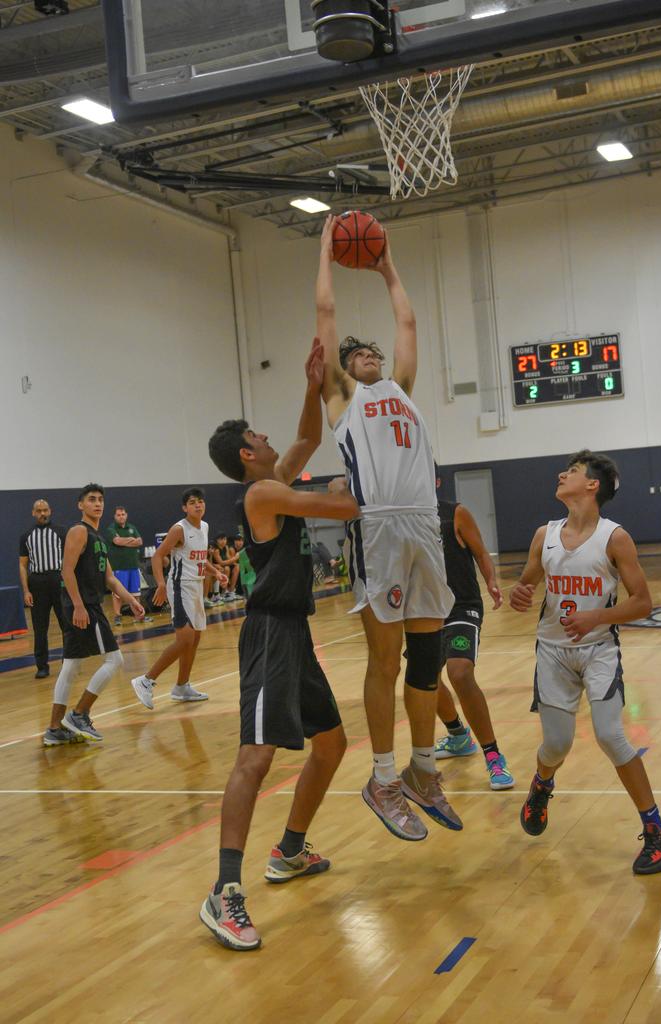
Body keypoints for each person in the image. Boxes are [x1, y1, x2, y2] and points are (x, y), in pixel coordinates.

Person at [199, 338, 357, 952]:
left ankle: (290, 849)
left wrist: (312, 386)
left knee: (332, 743)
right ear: (247, 453)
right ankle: (224, 892)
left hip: (295, 632)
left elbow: (308, 437)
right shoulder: (262, 493)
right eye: (257, 436)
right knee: (255, 759)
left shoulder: (275, 480)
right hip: (268, 632)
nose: (268, 438)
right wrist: (376, 475)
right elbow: (341, 506)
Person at [315, 215, 459, 841]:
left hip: (424, 525)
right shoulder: (343, 401)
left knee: (428, 657)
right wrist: (327, 252)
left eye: (372, 353)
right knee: (386, 659)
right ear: (345, 370)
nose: (369, 357)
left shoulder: (402, 389)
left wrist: (387, 266)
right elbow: (325, 316)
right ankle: (381, 779)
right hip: (378, 531)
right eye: (357, 356)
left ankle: (423, 771)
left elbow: (409, 325)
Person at [511, 449, 661, 874]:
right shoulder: (544, 534)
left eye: (572, 470)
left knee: (610, 735)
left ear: (592, 485)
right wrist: (520, 592)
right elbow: (528, 581)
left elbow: (642, 603)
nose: (561, 474)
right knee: (556, 745)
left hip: (599, 649)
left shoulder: (614, 538)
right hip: (552, 651)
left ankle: (657, 831)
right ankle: (541, 784)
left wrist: (596, 617)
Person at [43, 484, 144, 747]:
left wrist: (132, 600)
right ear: (81, 505)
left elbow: (110, 578)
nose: (97, 503)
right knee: (114, 659)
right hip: (84, 605)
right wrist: (78, 605)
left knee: (71, 665)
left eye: (100, 499)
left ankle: (54, 728)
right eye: (91, 499)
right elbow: (66, 570)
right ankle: (80, 714)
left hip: (84, 605)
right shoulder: (79, 531)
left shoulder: (98, 537)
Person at [433, 474, 514, 789]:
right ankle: (457, 735)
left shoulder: (455, 513)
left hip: (461, 605)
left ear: (434, 481)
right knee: (423, 680)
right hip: (424, 610)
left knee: (460, 672)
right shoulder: (403, 518)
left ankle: (493, 755)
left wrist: (491, 581)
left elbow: (480, 552)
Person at [130, 489, 227, 709]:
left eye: (200, 501)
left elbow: (199, 559)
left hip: (196, 586)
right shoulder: (179, 529)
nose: (198, 505)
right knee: (184, 640)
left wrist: (215, 572)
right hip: (180, 586)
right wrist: (161, 584)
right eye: (192, 502)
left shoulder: (204, 527)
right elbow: (157, 556)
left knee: (195, 639)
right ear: (185, 508)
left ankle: (182, 686)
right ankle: (145, 680)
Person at [19, 499, 66, 679]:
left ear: (50, 511)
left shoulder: (61, 532)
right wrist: (26, 590)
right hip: (37, 582)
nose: (42, 514)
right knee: (39, 628)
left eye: (45, 510)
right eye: (39, 511)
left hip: (58, 579)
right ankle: (42, 667)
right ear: (33, 513)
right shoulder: (26, 535)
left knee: (67, 625)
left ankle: (68, 663)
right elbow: (23, 565)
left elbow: (71, 559)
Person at [105, 506, 146, 626]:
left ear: (126, 515)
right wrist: (131, 540)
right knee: (118, 594)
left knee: (135, 593)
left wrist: (124, 541)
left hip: (133, 566)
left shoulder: (132, 527)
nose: (121, 517)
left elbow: (140, 541)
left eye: (123, 514)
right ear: (115, 516)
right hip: (119, 567)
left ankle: (138, 615)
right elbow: (116, 541)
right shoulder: (111, 529)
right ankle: (117, 616)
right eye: (118, 515)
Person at [212, 534, 239, 601]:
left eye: (224, 539)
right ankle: (224, 592)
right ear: (217, 540)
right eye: (221, 539)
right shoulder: (216, 550)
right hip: (216, 567)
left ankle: (231, 591)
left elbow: (228, 558)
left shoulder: (226, 547)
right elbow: (221, 563)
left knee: (237, 567)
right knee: (227, 568)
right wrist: (235, 558)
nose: (223, 541)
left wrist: (234, 562)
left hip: (224, 566)